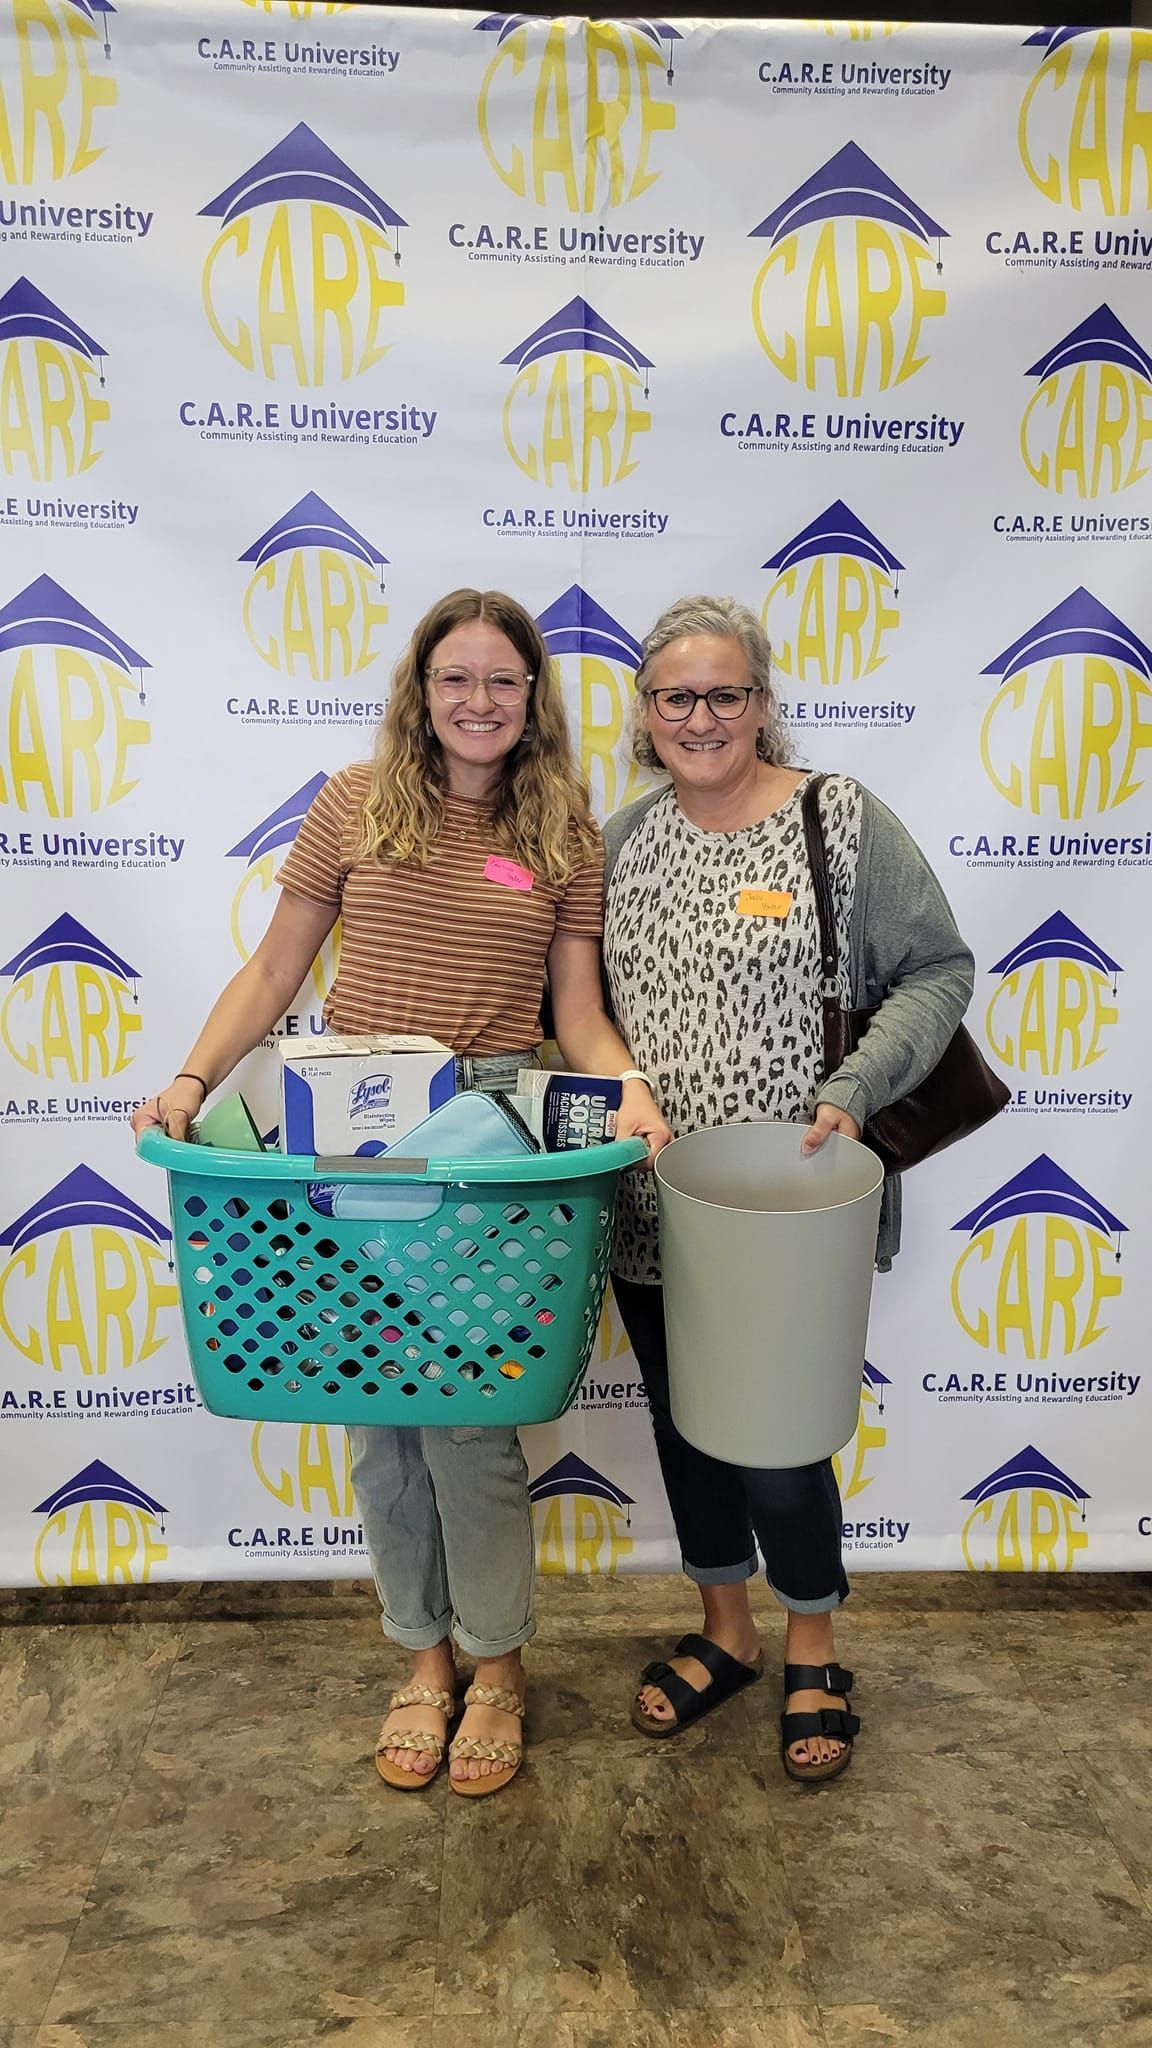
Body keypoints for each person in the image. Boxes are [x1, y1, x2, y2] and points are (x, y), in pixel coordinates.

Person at [132, 588, 670, 1798]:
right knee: (377, 1425)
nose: (479, 700)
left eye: (502, 680)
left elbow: (577, 1011)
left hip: (484, 1145)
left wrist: (630, 1088)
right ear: (421, 692)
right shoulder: (353, 802)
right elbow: (275, 967)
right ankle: (423, 1661)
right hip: (353, 1129)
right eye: (455, 678)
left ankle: (498, 1666)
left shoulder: (565, 827)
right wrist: (190, 1077)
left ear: (532, 697)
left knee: (469, 1426)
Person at [602, 594, 974, 1784]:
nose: (701, 717)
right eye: (676, 696)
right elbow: (588, 1006)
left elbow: (938, 967)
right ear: (646, 710)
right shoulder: (623, 839)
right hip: (655, 1202)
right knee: (686, 1422)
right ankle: (728, 1629)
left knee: (780, 1433)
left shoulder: (838, 819)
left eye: (727, 693)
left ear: (762, 702)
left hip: (792, 1207)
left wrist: (857, 1087)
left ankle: (814, 1638)